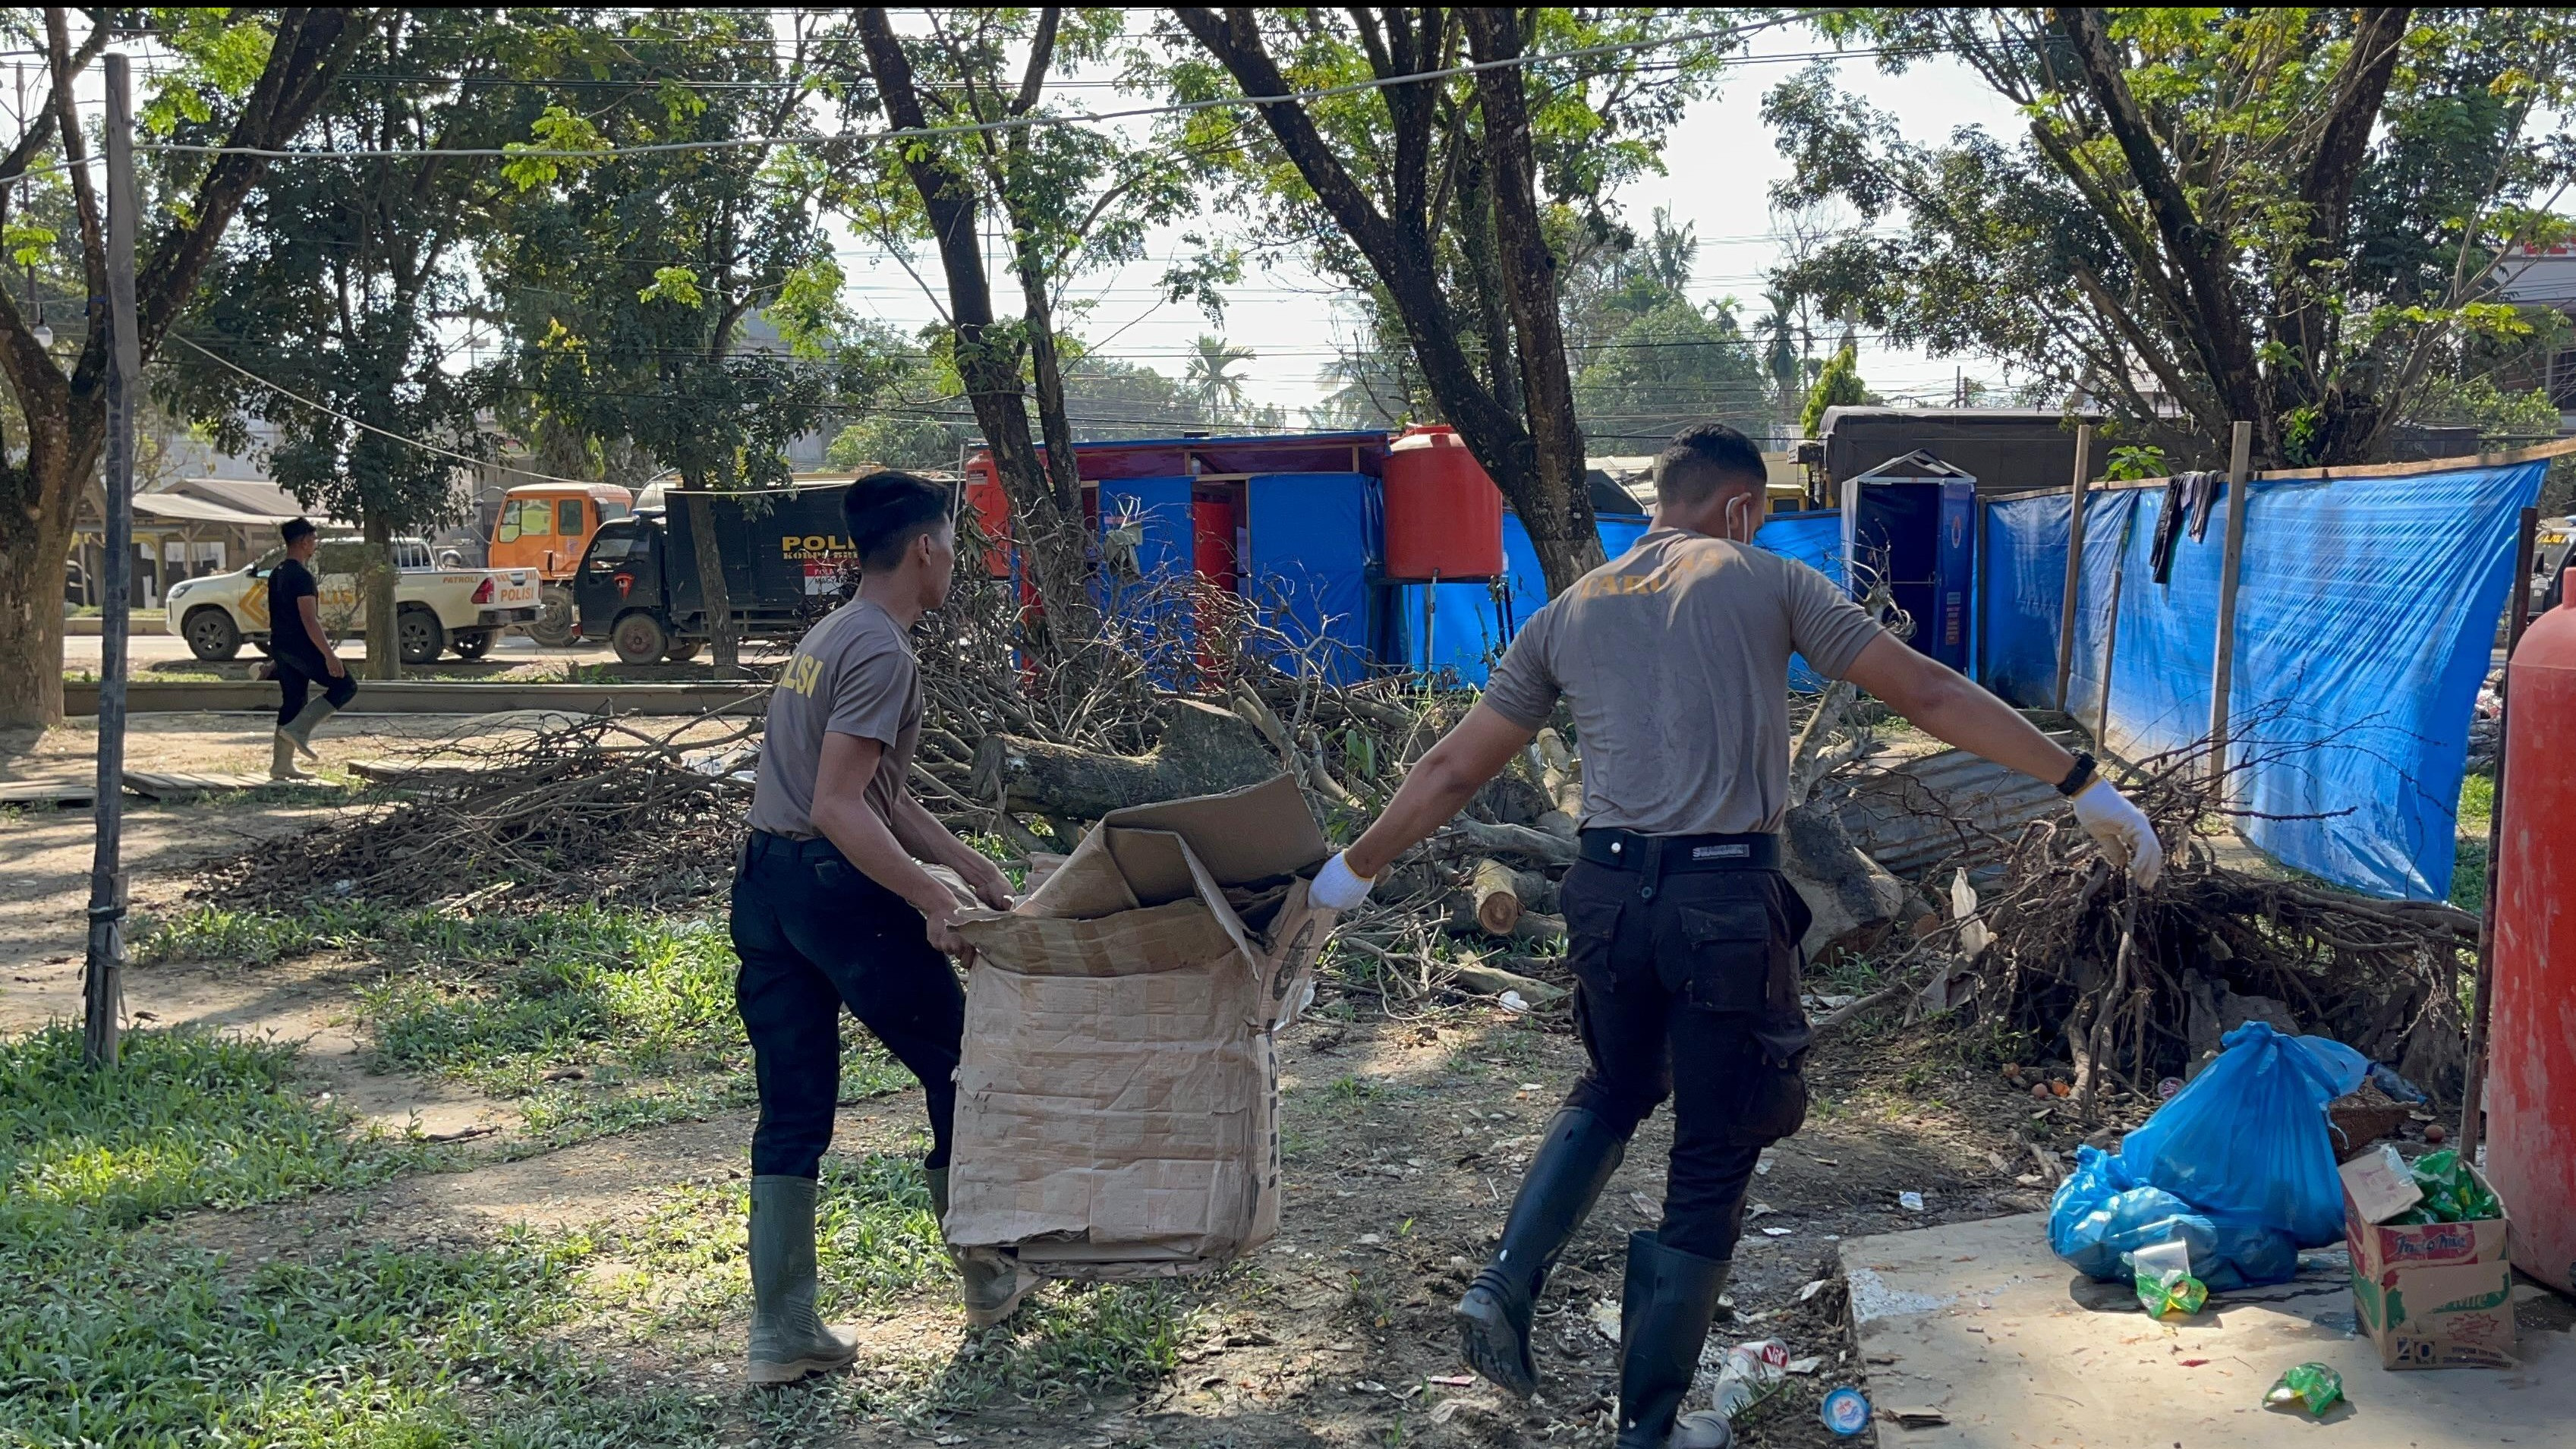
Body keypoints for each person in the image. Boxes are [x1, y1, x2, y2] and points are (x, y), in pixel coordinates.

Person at [1306, 424, 2162, 1449]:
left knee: (1616, 1085)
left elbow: (1452, 768)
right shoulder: (1770, 581)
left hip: (1605, 898)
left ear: (1658, 501)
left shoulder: (1566, 612)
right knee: (1710, 1158)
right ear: (1740, 509)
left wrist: (1351, 869)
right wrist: (2076, 779)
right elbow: (1925, 692)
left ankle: (1505, 1281)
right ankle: (1648, 1429)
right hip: (1720, 902)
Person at [729, 469, 1031, 1386]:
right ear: (925, 548)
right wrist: (934, 901)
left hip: (766, 884)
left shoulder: (831, 634)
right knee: (961, 1061)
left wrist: (973, 867)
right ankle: (987, 1274)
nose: (954, 565)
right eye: (952, 548)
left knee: (792, 1109)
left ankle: (782, 1331)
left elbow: (878, 795)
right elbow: (838, 808)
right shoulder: (883, 652)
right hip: (832, 889)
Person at [266, 518, 354, 780]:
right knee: (346, 685)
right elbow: (308, 618)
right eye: (314, 539)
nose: (315, 544)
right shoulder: (302, 575)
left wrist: (275, 659)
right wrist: (329, 655)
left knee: (293, 700)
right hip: (301, 645)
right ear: (305, 541)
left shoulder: (277, 572)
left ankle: (281, 765)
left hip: (281, 645)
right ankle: (300, 730)